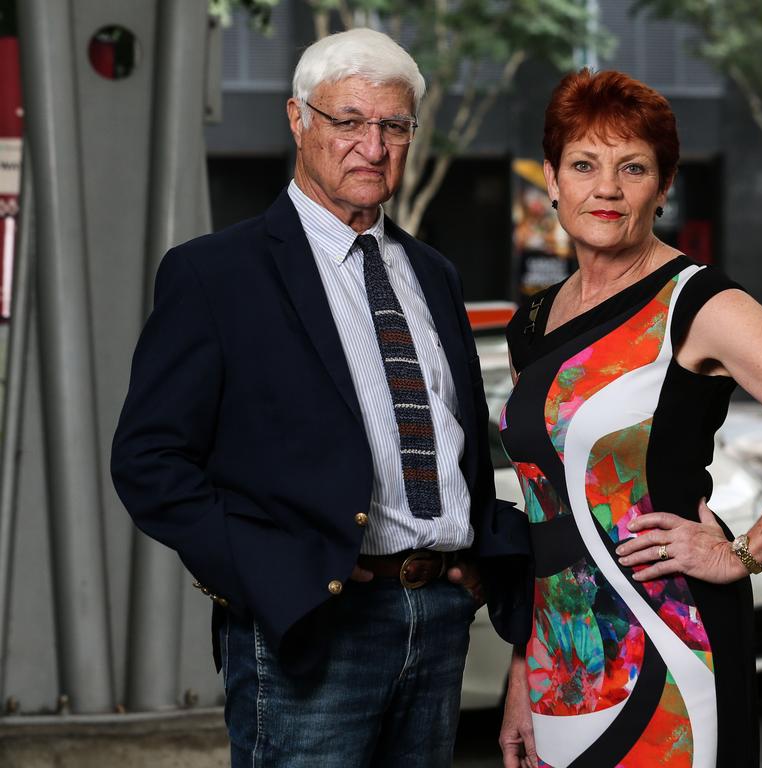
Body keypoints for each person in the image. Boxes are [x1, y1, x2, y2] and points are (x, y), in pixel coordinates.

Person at [110, 28, 531, 768]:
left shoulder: (433, 273)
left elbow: (455, 435)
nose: (373, 146)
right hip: (314, 626)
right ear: (298, 120)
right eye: (348, 121)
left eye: (393, 126)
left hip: (437, 618)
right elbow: (148, 462)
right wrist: (268, 578)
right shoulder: (216, 275)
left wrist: (475, 564)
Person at [496, 69, 762, 768]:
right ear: (551, 179)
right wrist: (523, 668)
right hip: (563, 656)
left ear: (664, 186)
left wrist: (742, 552)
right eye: (584, 165)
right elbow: (541, 514)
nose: (606, 188)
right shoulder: (532, 321)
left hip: (671, 640)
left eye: (633, 167)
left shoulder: (698, 303)